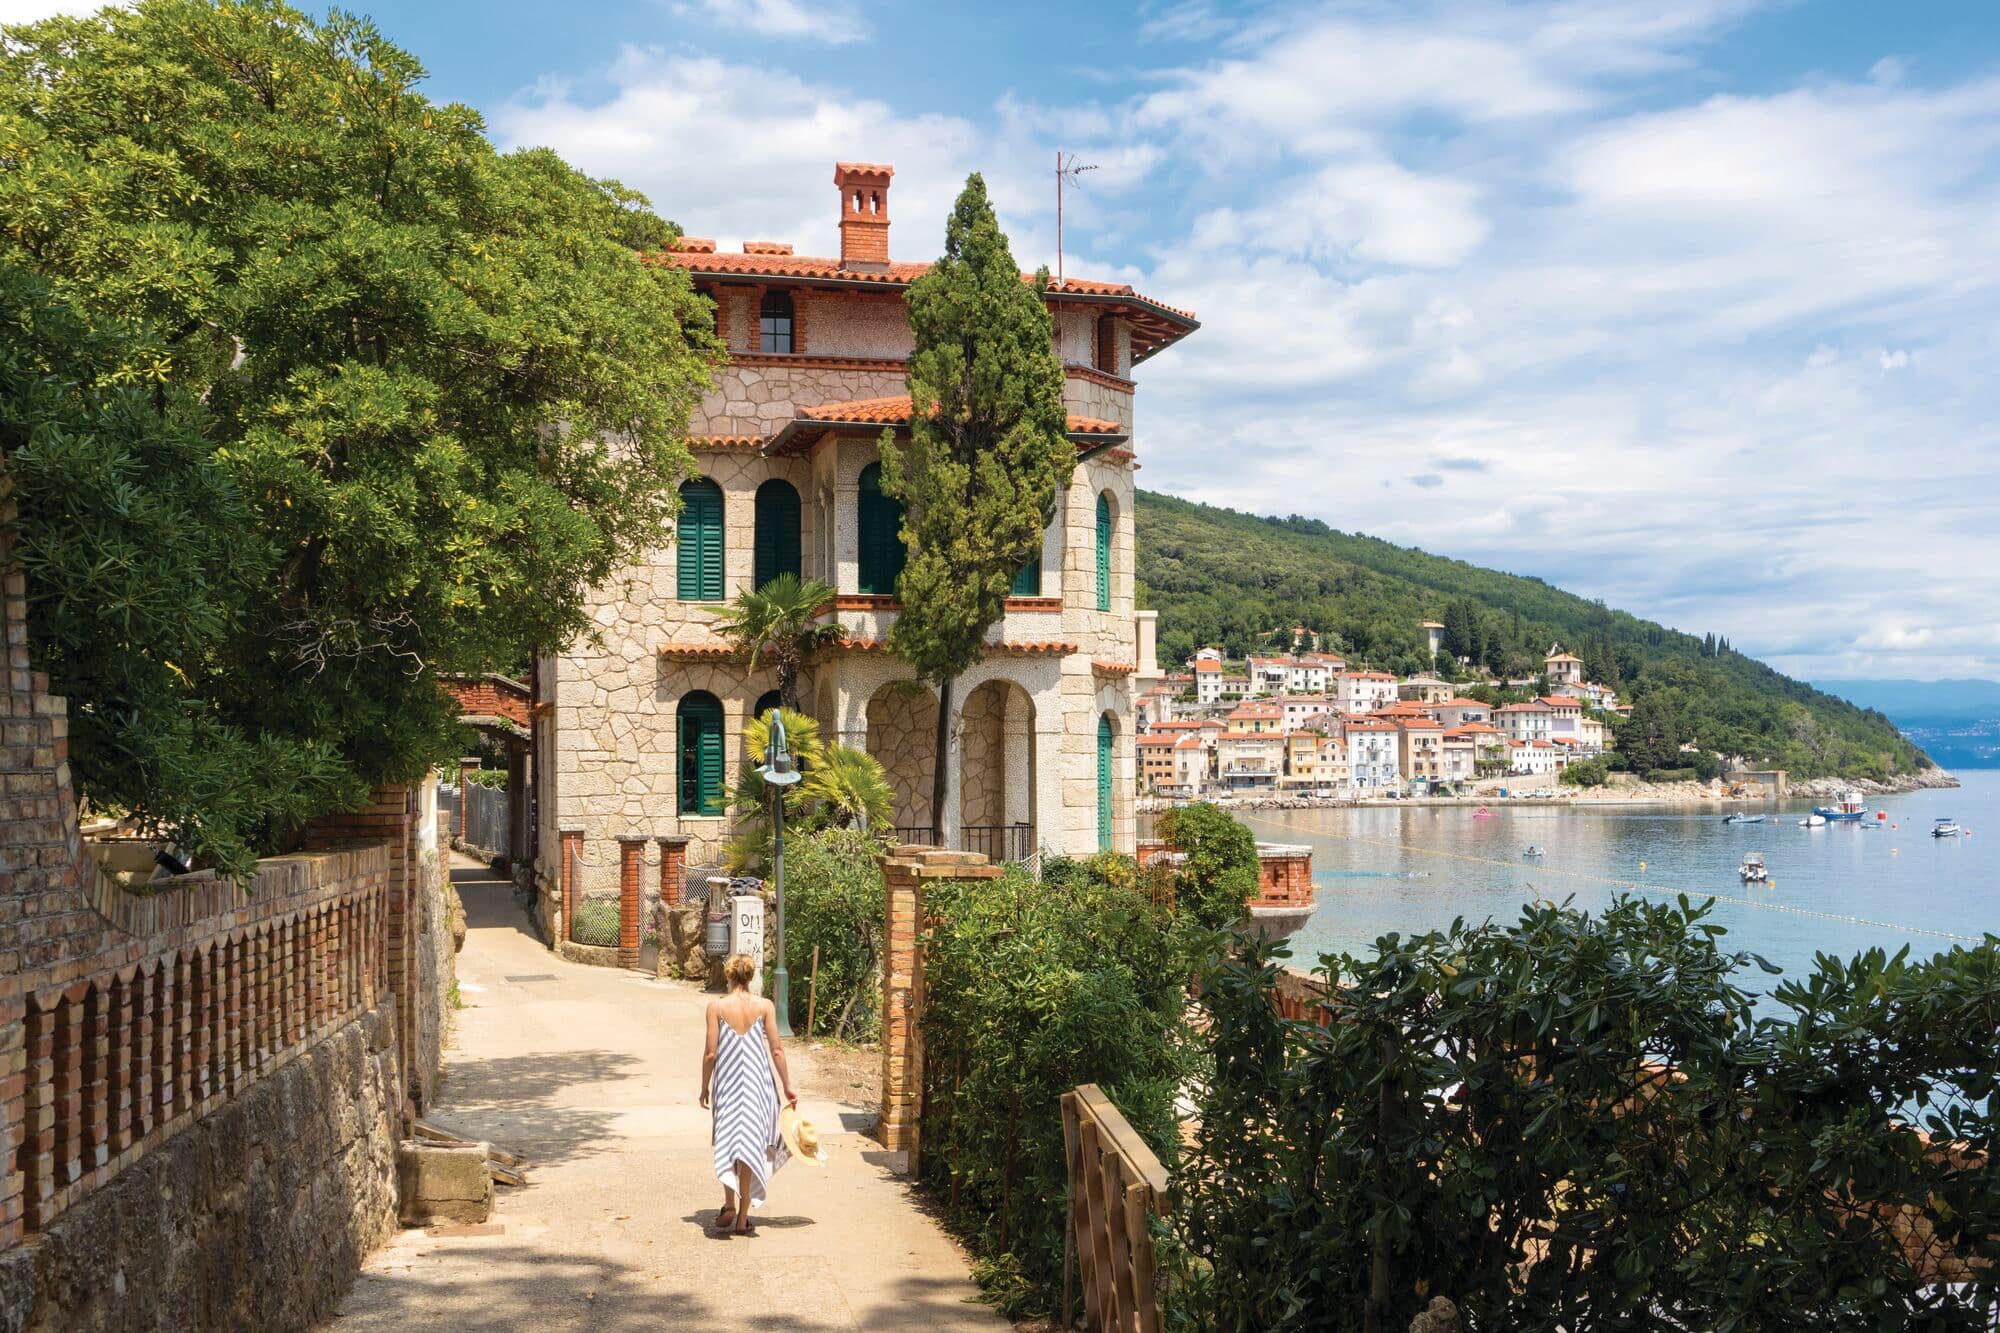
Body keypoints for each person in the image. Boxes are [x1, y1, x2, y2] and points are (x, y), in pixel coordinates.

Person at [699, 953, 797, 1235]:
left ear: (728, 975)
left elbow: (711, 1053)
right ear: (751, 976)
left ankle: (729, 1204)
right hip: (757, 1085)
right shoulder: (764, 1006)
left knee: (729, 1140)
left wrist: (704, 1086)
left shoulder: (716, 1007)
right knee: (750, 1145)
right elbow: (776, 1050)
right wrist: (787, 1085)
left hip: (728, 1084)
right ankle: (742, 1218)